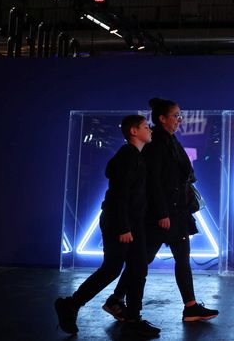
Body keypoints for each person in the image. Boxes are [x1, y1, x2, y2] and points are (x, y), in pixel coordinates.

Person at [108, 98, 218, 322]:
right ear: (162, 118)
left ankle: (190, 306)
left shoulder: (168, 139)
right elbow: (154, 181)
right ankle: (117, 300)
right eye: (176, 115)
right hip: (165, 214)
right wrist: (161, 213)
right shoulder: (157, 142)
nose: (180, 119)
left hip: (175, 211)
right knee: (144, 259)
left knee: (177, 257)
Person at [54, 115, 160, 337]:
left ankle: (133, 318)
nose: (149, 129)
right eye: (144, 126)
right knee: (112, 269)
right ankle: (71, 304)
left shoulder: (135, 156)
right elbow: (119, 195)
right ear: (133, 131)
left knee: (138, 267)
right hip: (121, 223)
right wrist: (123, 227)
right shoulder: (127, 157)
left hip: (133, 223)